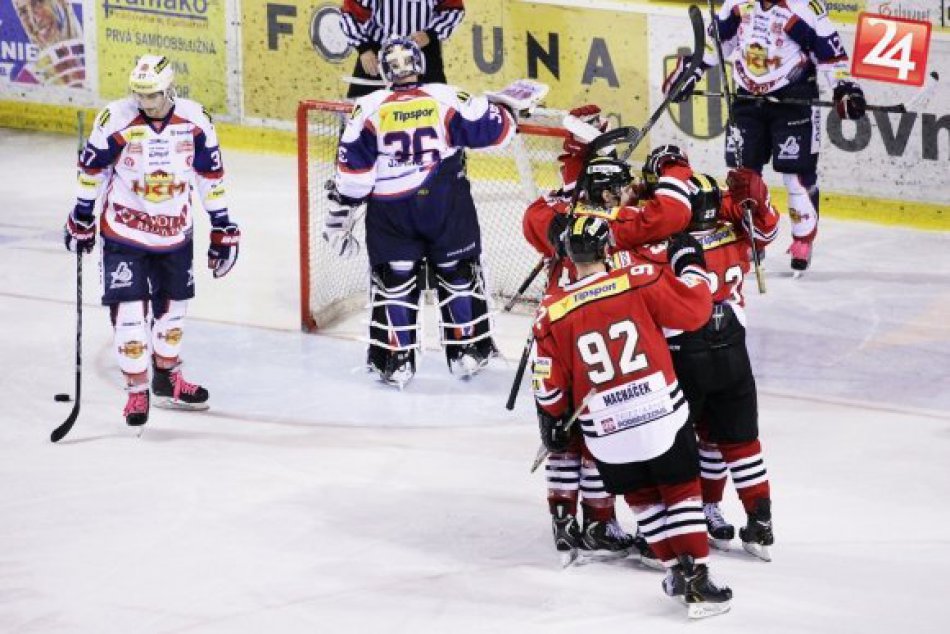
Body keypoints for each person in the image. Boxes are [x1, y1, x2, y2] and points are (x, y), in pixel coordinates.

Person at [532, 214, 733, 619]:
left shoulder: (551, 312)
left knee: (642, 498)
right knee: (680, 492)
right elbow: (694, 312)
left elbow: (546, 383)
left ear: (570, 257)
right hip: (658, 412)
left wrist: (553, 417)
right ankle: (697, 580)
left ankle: (676, 571)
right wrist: (691, 266)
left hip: (605, 429)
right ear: (606, 250)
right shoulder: (637, 278)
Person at [324, 36, 541, 388]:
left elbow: (354, 180)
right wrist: (509, 109)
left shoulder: (366, 107)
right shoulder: (446, 96)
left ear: (383, 70)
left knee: (394, 280)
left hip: (391, 210)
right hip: (445, 204)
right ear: (419, 65)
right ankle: (468, 349)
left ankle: (396, 360)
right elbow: (495, 132)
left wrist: (339, 218)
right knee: (458, 272)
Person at [63, 54, 240, 427]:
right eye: (139, 94)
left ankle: (167, 379)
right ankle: (136, 391)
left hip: (175, 234)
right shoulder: (116, 119)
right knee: (129, 319)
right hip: (124, 234)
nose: (145, 102)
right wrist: (82, 215)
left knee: (173, 317)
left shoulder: (195, 121)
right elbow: (92, 170)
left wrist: (222, 226)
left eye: (153, 95)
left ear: (170, 89)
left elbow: (211, 177)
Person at [663, 0, 866, 274]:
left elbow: (832, 57)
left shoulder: (804, 8)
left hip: (793, 99)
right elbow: (718, 44)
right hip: (747, 98)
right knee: (742, 175)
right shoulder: (738, 4)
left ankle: (802, 239)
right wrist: (692, 71)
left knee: (796, 176)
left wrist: (845, 88)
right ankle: (752, 237)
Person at [340, 0, 465, 99]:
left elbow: (454, 9)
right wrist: (363, 48)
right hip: (377, 51)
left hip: (423, 51)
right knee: (358, 112)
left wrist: (431, 34)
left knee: (438, 108)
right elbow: (349, 14)